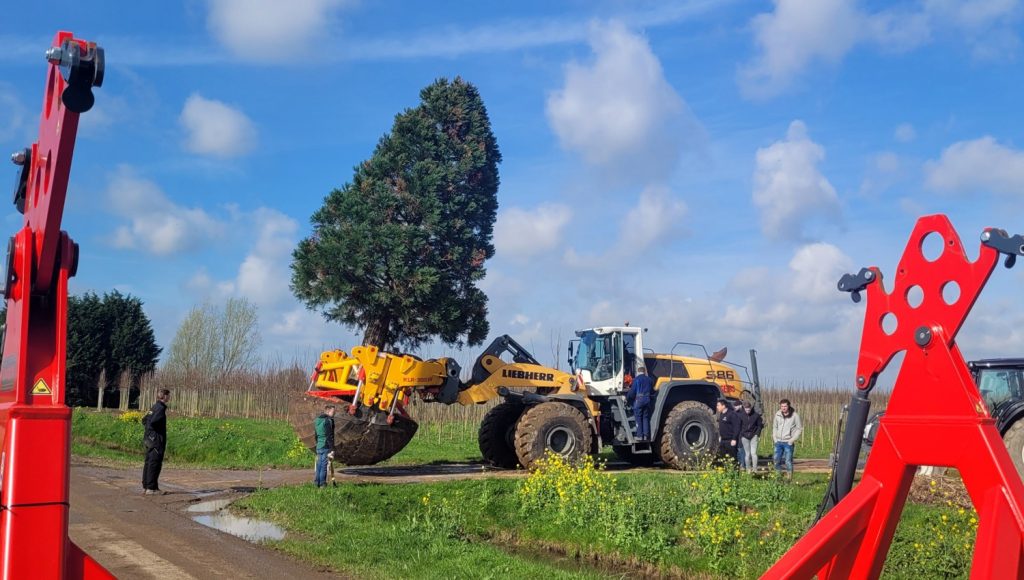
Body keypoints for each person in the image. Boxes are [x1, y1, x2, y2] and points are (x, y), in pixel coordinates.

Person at [142, 389, 170, 495]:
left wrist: (149, 433)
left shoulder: (154, 407)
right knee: (155, 463)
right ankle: (151, 488)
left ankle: (147, 486)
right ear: (165, 396)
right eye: (169, 395)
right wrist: (155, 434)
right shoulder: (160, 408)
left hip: (148, 439)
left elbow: (144, 420)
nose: (169, 398)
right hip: (156, 440)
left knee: (149, 462)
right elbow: (153, 422)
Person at [773, 399, 803, 479]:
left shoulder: (794, 415)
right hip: (778, 441)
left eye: (785, 406)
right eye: (782, 406)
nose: (783, 408)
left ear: (788, 406)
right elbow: (774, 427)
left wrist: (792, 440)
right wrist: (775, 438)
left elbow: (799, 428)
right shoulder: (777, 414)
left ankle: (789, 478)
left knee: (788, 461)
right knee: (776, 460)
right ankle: (778, 476)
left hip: (788, 442)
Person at [626, 366, 654, 442]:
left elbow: (632, 392)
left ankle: (639, 436)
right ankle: (646, 435)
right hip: (647, 400)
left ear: (638, 372)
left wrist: (627, 398)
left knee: (638, 418)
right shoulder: (649, 380)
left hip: (639, 400)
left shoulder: (636, 380)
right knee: (645, 418)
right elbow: (652, 391)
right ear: (644, 371)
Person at [738, 401, 764, 474]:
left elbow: (759, 426)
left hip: (753, 436)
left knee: (754, 453)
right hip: (744, 437)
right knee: (747, 454)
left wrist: (757, 434)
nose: (747, 411)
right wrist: (741, 436)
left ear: (751, 408)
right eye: (746, 410)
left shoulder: (756, 416)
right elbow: (739, 426)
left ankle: (755, 469)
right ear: (744, 409)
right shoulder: (741, 416)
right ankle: (748, 469)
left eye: (749, 410)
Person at [314, 404, 336, 487]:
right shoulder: (328, 421)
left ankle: (317, 483)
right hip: (325, 446)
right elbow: (329, 435)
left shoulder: (317, 420)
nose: (334, 413)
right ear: (328, 411)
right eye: (333, 412)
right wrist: (332, 449)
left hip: (319, 446)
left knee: (319, 465)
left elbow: (316, 435)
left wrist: (317, 443)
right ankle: (323, 483)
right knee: (324, 466)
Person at [716, 399, 742, 465]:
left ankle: (735, 473)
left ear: (723, 406)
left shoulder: (732, 414)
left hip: (730, 441)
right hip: (723, 441)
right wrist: (720, 436)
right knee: (723, 458)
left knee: (733, 459)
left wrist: (734, 439)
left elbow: (737, 427)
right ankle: (726, 473)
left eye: (718, 405)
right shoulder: (721, 414)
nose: (717, 407)